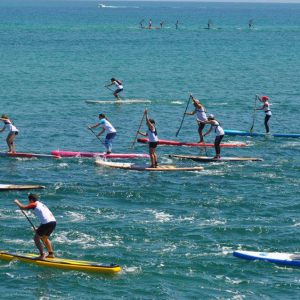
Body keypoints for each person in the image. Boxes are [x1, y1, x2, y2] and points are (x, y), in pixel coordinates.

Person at [14, 194, 56, 260]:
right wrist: (39, 228)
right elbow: (45, 217)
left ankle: (42, 255)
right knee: (45, 238)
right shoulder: (41, 204)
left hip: (47, 223)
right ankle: (51, 254)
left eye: (29, 201)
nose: (29, 202)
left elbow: (23, 207)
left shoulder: (34, 204)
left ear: (31, 200)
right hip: (53, 222)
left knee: (36, 238)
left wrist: (17, 202)